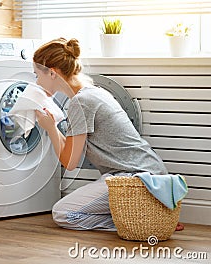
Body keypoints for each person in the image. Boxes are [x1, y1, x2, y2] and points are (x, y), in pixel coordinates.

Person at [33, 37, 184, 232]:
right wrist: (53, 124)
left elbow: (69, 163)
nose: (37, 81)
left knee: (63, 213)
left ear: (52, 73)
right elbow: (71, 152)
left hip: (135, 179)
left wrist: (51, 128)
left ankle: (145, 223)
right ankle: (150, 216)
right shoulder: (94, 92)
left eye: (37, 74)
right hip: (150, 174)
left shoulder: (81, 103)